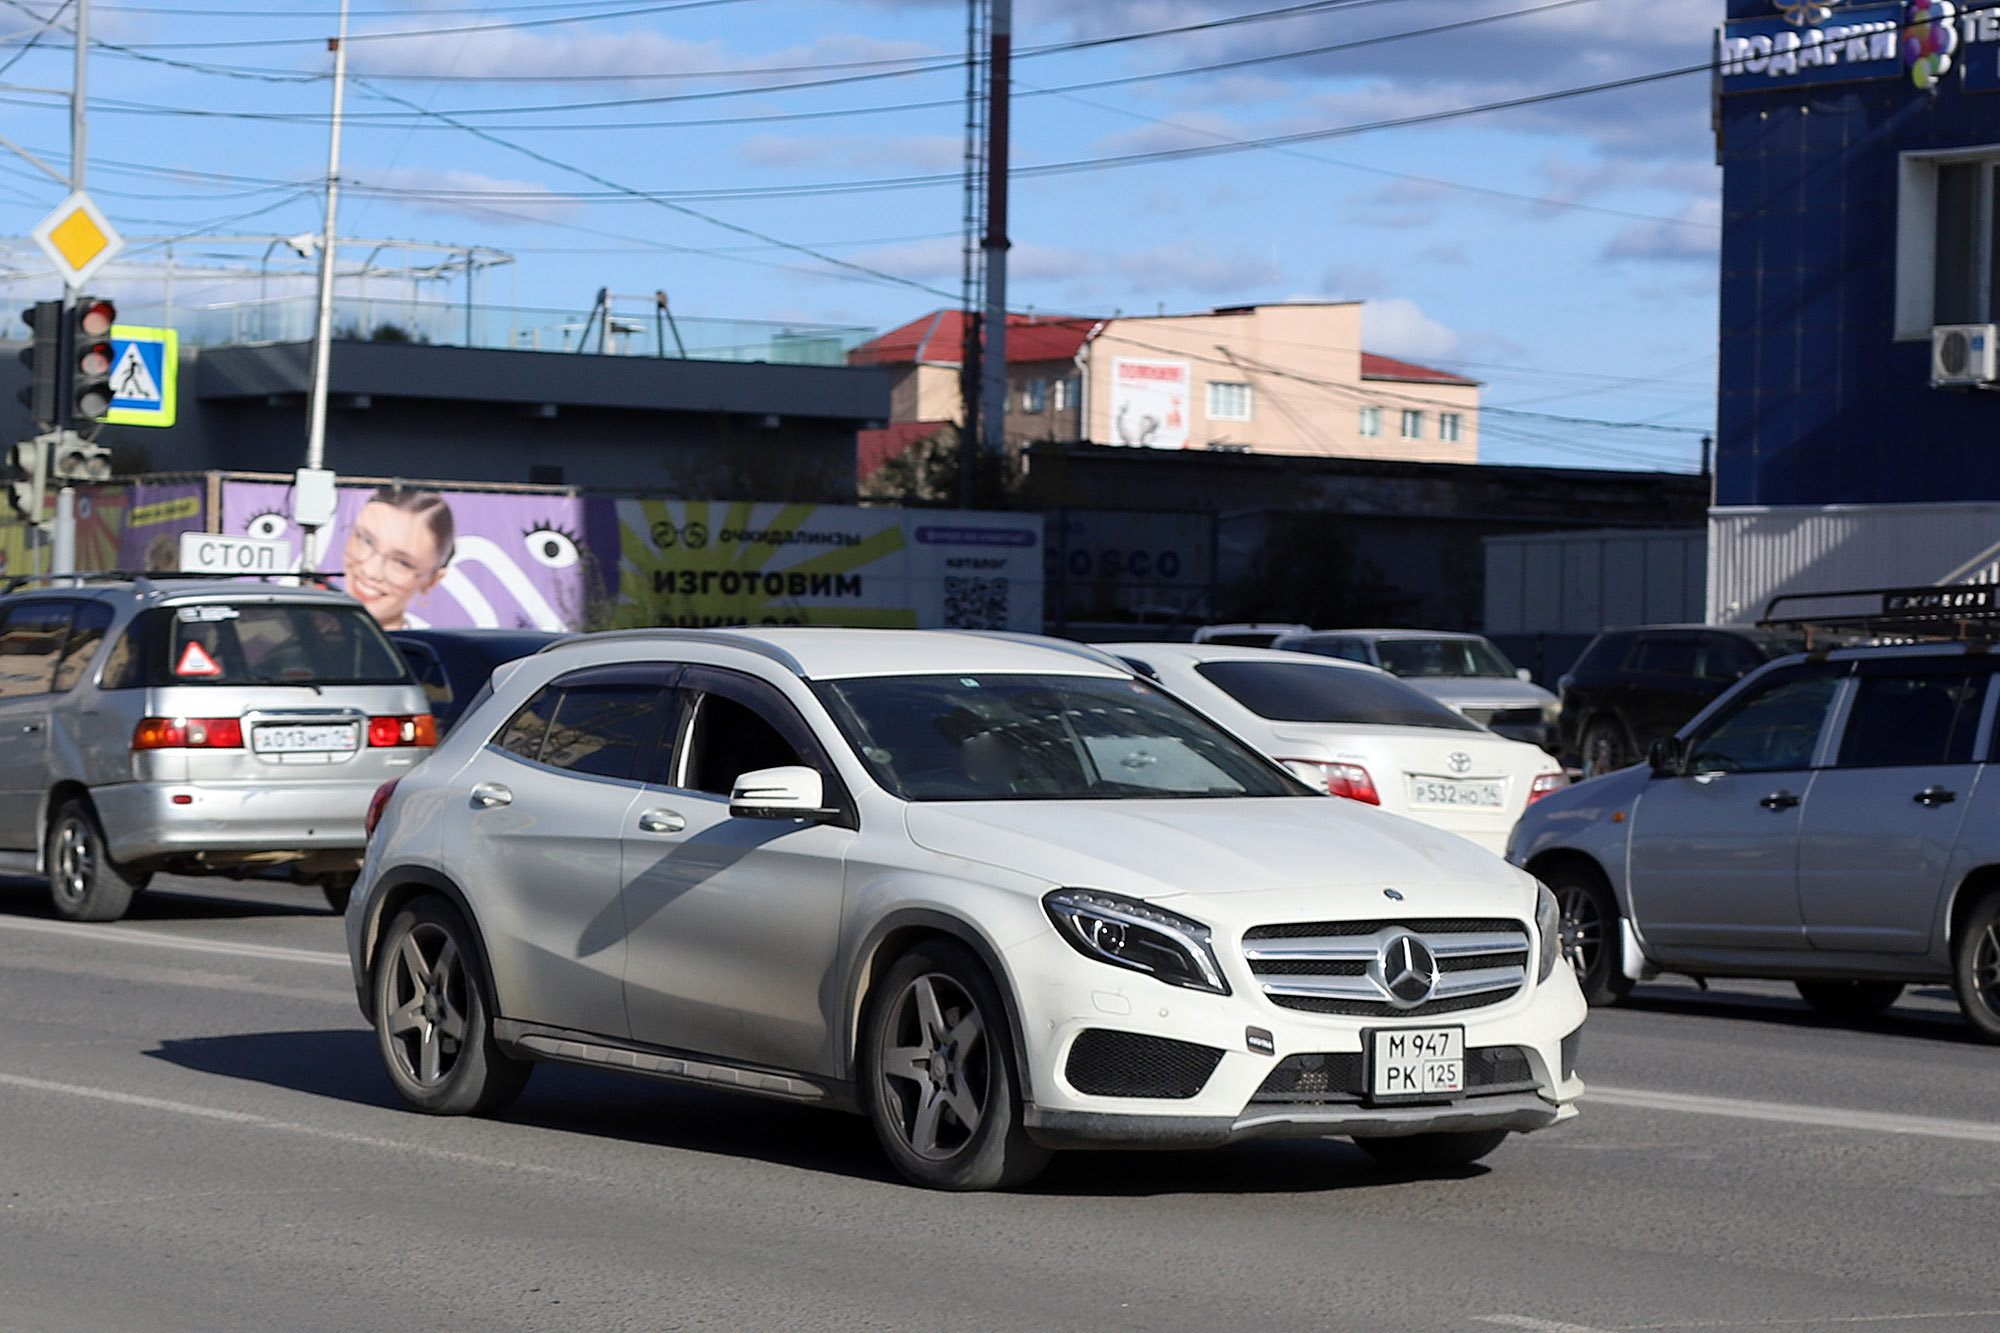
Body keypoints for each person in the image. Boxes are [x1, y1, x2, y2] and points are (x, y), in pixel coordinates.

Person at [341, 486, 454, 629]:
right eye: (366, 541)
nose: (371, 572)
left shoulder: (432, 649)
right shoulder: (307, 634)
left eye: (402, 563)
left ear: (432, 580)